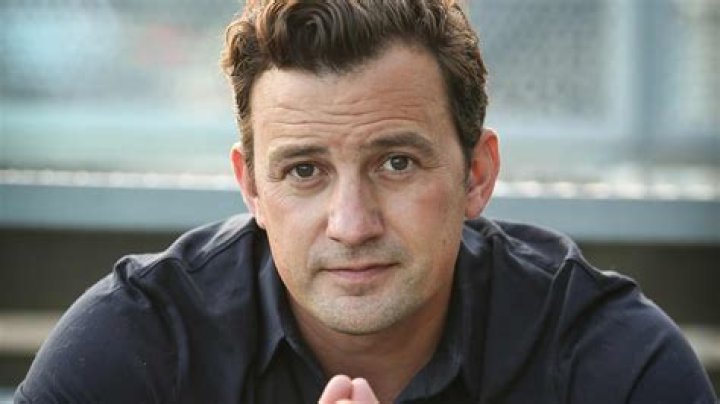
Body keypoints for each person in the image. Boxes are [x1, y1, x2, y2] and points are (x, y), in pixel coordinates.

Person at [15, 1, 716, 403]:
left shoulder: (610, 363)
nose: (352, 225)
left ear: (477, 174)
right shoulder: (133, 346)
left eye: (396, 163)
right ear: (251, 186)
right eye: (304, 171)